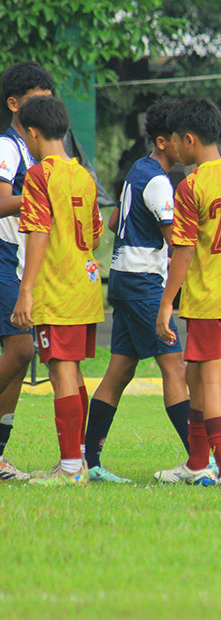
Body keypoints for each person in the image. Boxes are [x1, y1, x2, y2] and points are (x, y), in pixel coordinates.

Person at [153, 97, 221, 489]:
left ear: (189, 139)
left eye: (175, 141)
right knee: (196, 376)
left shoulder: (191, 185)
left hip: (208, 296)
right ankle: (197, 463)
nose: (172, 148)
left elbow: (183, 250)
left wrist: (166, 305)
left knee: (211, 382)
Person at [83, 98, 190, 483]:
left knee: (120, 369)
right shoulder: (159, 180)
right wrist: (168, 300)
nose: (187, 145)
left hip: (123, 277)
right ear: (164, 141)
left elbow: (115, 222)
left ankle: (89, 462)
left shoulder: (137, 170)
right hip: (144, 280)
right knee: (173, 365)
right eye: (181, 138)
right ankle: (198, 462)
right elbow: (178, 243)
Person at [11, 95, 104, 487]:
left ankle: (69, 469)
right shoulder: (82, 173)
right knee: (74, 371)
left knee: (61, 370)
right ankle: (77, 460)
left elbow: (38, 233)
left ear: (32, 133)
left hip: (59, 285)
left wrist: (26, 290)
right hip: (86, 284)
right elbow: (96, 234)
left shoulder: (39, 175)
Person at [0, 62, 56, 480]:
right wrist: (40, 194)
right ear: (15, 104)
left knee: (18, 359)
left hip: (19, 261)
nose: (45, 108)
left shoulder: (35, 151)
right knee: (22, 350)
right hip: (3, 257)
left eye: (49, 100)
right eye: (37, 100)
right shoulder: (7, 148)